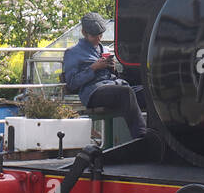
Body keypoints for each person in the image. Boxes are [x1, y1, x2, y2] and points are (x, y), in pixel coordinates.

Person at [62, 12, 147, 141]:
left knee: (148, 92)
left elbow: (113, 77)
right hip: (93, 92)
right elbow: (72, 83)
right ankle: (142, 137)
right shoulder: (73, 53)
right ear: (84, 33)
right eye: (94, 36)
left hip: (113, 87)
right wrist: (93, 68)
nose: (99, 38)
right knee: (126, 93)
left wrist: (112, 69)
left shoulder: (105, 50)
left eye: (101, 34)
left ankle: (158, 133)